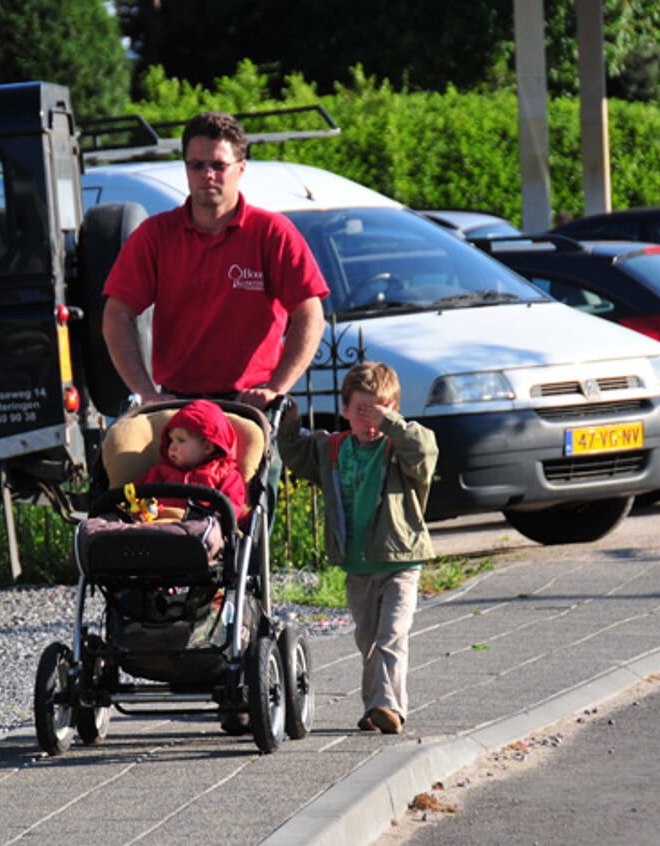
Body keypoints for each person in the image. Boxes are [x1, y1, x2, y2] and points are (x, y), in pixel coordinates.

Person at [101, 110, 329, 411]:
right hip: (179, 405)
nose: (207, 174)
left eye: (218, 165)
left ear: (241, 168)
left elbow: (311, 314)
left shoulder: (272, 233)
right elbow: (115, 315)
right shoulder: (155, 236)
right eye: (196, 165)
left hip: (252, 406)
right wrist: (146, 393)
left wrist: (276, 388)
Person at [277, 362, 437, 735]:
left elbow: (425, 452)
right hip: (357, 565)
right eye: (359, 411)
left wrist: (389, 423)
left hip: (400, 561)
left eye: (377, 412)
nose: (368, 423)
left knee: (390, 635)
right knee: (367, 640)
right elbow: (295, 453)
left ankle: (388, 706)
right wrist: (288, 422)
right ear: (345, 410)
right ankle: (375, 708)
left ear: (393, 409)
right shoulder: (333, 450)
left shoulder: (399, 448)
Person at [134, 399, 248, 518]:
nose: (172, 447)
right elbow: (137, 492)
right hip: (157, 527)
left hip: (200, 529)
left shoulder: (224, 475)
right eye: (171, 440)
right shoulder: (161, 472)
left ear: (207, 447)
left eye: (181, 440)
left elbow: (232, 508)